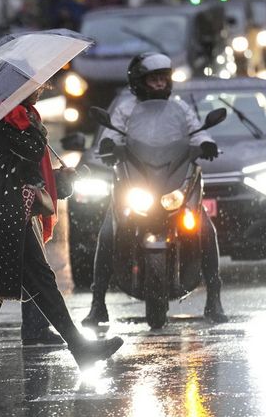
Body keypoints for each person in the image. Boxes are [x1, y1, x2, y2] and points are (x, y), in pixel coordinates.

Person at [0, 83, 124, 382]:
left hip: (3, 212)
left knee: (3, 284)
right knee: (10, 283)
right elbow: (30, 150)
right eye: (33, 87)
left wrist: (61, 178)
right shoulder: (4, 120)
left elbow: (31, 174)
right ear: (15, 91)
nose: (40, 92)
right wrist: (34, 127)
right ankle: (78, 347)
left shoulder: (19, 118)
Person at [81, 52, 229, 327]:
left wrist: (206, 142)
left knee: (204, 229)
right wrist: (109, 145)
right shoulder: (126, 107)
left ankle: (214, 297)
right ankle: (97, 303)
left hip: (173, 176)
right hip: (137, 177)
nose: (160, 83)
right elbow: (113, 132)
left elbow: (196, 131)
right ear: (139, 81)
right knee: (109, 230)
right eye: (154, 79)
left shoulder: (179, 106)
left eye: (163, 78)